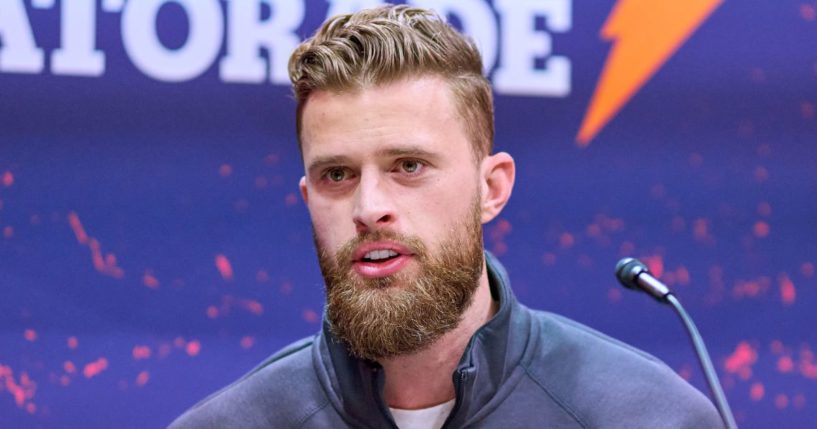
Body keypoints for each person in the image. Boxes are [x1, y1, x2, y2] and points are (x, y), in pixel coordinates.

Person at [170, 5, 722, 428]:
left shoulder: (646, 417)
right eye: (336, 175)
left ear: (491, 188)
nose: (368, 209)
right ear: (308, 197)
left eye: (409, 166)